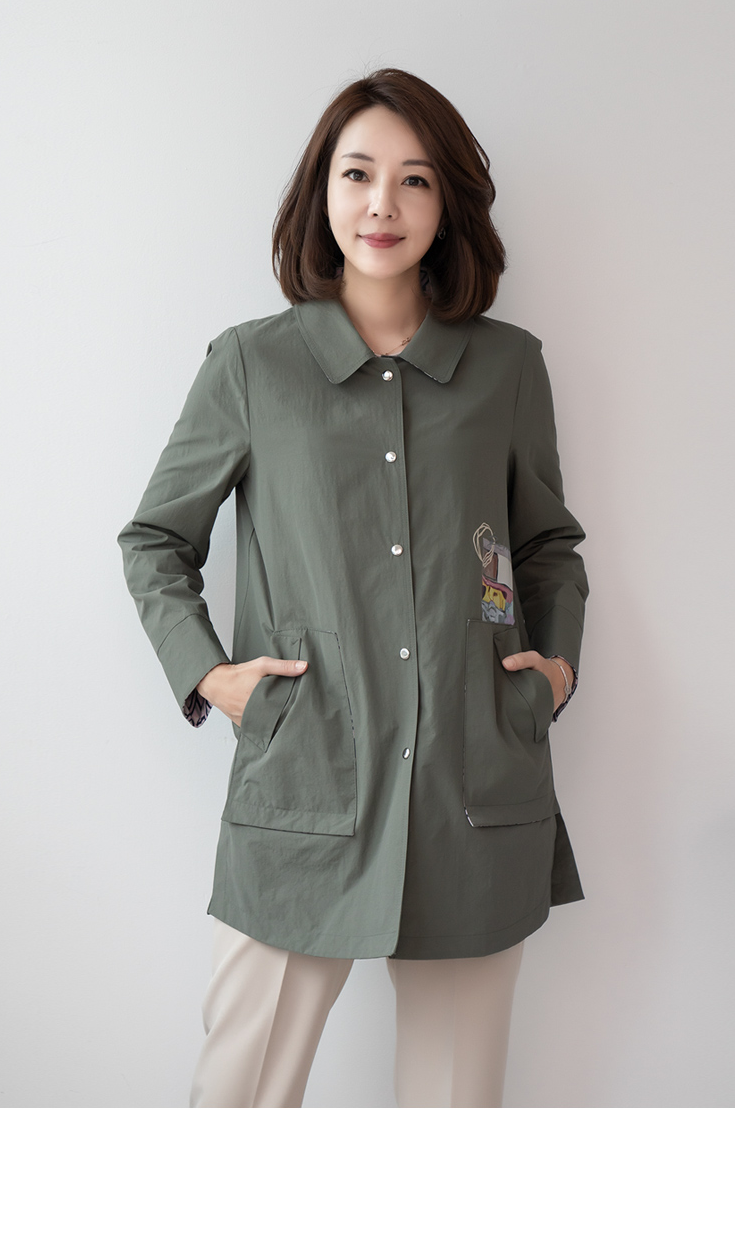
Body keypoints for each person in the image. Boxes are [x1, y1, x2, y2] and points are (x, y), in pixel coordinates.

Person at [117, 68, 589, 1108]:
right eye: (358, 173)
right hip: (305, 780)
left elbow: (547, 543)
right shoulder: (252, 365)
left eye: (415, 180)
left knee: (452, 1114)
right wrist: (212, 676)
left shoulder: (507, 368)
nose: (383, 203)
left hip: (472, 777)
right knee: (239, 1100)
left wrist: (550, 672)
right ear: (320, 192)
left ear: (447, 205)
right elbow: (155, 539)